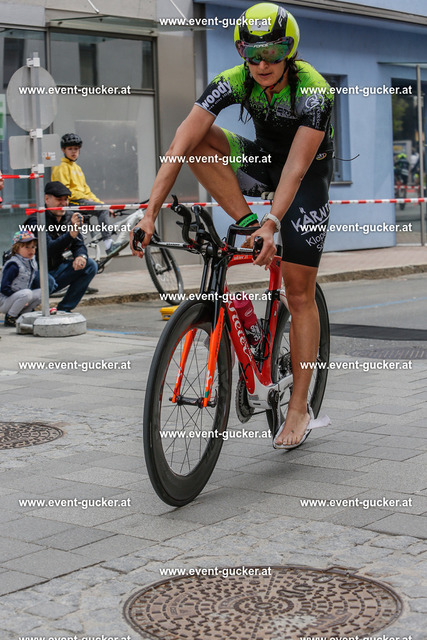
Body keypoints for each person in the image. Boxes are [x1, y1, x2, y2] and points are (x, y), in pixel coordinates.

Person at [131, 2, 334, 450]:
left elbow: (296, 169)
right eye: (252, 53)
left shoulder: (314, 91)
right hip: (261, 162)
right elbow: (179, 144)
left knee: (299, 294)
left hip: (303, 181)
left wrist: (273, 224)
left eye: (273, 52)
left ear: (290, 50)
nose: (262, 64)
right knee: (196, 139)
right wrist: (150, 212)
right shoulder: (233, 80)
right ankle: (245, 221)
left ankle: (299, 407)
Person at [26, 181, 97, 312]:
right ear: (46, 199)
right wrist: (70, 235)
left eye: (66, 200)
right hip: (32, 272)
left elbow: (79, 244)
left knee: (90, 265)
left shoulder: (69, 217)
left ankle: (64, 310)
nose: (63, 203)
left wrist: (81, 256)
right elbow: (47, 249)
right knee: (48, 282)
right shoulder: (36, 220)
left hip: (55, 269)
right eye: (59, 200)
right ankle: (23, 310)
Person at [51, 133, 117, 253]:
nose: (73, 152)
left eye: (76, 149)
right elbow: (63, 191)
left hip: (80, 201)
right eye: (70, 149)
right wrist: (97, 205)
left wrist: (102, 204)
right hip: (71, 202)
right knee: (102, 210)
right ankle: (108, 245)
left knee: (102, 209)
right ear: (63, 150)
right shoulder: (61, 166)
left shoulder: (77, 168)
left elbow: (87, 191)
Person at [0, 230, 41, 327]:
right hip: (4, 301)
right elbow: (4, 287)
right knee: (27, 293)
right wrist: (22, 298)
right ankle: (10, 317)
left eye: (33, 247)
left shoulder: (31, 262)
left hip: (21, 297)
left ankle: (23, 316)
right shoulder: (14, 265)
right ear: (16, 248)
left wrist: (24, 299)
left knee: (41, 293)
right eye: (27, 247)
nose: (31, 250)